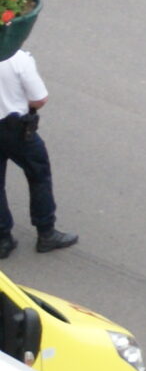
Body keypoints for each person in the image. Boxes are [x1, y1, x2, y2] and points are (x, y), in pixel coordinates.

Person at [0, 46, 76, 255]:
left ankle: (2, 240)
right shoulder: (18, 59)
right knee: (38, 175)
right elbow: (39, 99)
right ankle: (46, 232)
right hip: (15, 128)